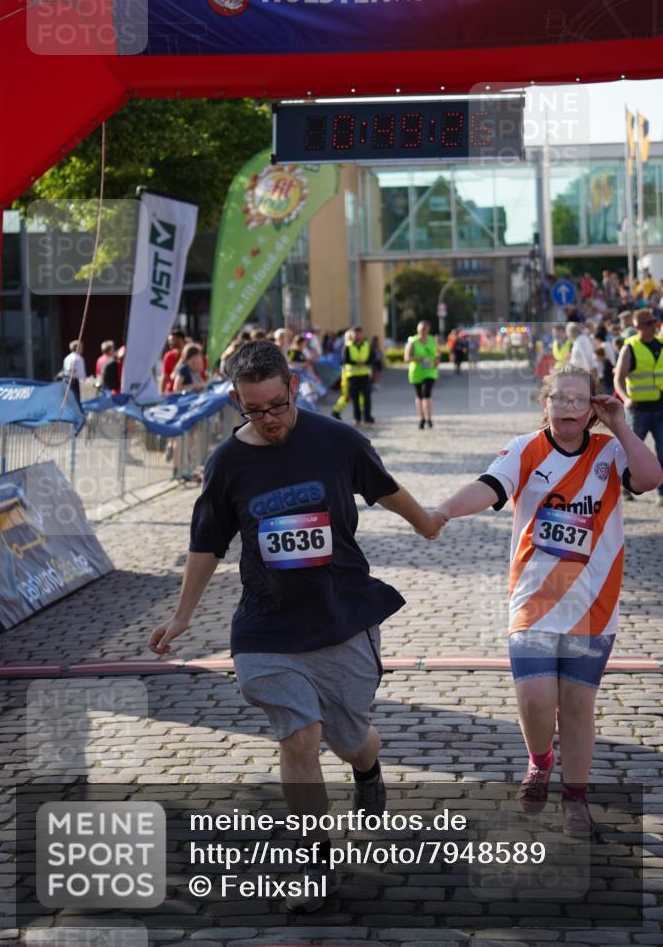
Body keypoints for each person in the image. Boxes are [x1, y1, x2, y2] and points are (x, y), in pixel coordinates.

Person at [148, 340, 442, 911]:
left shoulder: (337, 439)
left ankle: (368, 766)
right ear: (235, 399)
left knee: (349, 740)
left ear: (295, 386)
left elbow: (385, 489)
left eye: (277, 405)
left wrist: (427, 522)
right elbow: (207, 542)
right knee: (299, 736)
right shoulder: (227, 464)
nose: (270, 419)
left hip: (341, 614)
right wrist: (184, 615)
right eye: (254, 410)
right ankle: (315, 861)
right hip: (267, 625)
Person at [433, 364, 662, 837]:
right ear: (545, 404)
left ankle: (575, 799)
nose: (569, 408)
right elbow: (489, 487)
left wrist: (621, 423)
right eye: (559, 398)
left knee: (577, 706)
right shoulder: (525, 450)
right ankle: (541, 760)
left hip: (593, 601)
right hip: (535, 601)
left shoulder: (611, 449)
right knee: (537, 701)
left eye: (580, 400)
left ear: (594, 408)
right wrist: (444, 510)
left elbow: (650, 477)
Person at [613, 308, 663, 507]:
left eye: (654, 321)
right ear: (637, 327)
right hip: (638, 409)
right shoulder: (630, 348)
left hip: (660, 407)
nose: (654, 325)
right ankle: (625, 486)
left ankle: (661, 492)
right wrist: (625, 399)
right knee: (631, 451)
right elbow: (619, 378)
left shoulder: (661, 344)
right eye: (649, 323)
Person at [404, 320, 439, 429]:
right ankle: (421, 418)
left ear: (428, 329)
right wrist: (418, 359)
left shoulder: (432, 340)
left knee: (426, 393)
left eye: (425, 329)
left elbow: (437, 354)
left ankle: (429, 418)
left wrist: (436, 361)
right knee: (419, 396)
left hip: (430, 372)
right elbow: (406, 358)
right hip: (416, 372)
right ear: (417, 329)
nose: (423, 331)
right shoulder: (412, 342)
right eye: (421, 329)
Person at [342, 325, 374, 426]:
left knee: (367, 397)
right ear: (352, 334)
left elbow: (373, 357)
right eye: (355, 334)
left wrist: (365, 362)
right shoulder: (348, 346)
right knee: (355, 398)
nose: (357, 336)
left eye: (359, 334)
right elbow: (345, 359)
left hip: (365, 375)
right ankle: (357, 418)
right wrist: (356, 363)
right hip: (353, 375)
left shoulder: (367, 345)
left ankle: (367, 417)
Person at [160, 328, 186, 393]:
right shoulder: (168, 356)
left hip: (189, 392)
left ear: (180, 339)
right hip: (172, 393)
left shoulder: (191, 354)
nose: (169, 342)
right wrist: (161, 393)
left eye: (172, 340)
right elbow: (165, 377)